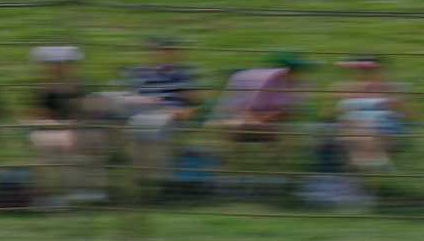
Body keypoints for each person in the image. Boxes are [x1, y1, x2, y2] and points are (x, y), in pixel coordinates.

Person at [111, 37, 204, 185]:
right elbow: (126, 98)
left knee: (151, 128)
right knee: (137, 125)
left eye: (168, 51)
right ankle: (145, 179)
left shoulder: (184, 74)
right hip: (139, 114)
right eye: (158, 50)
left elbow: (194, 105)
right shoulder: (139, 74)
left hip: (170, 116)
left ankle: (154, 180)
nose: (163, 54)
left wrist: (183, 111)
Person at [25, 45, 104, 206]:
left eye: (62, 64)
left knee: (85, 138)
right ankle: (53, 193)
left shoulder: (80, 87)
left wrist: (78, 120)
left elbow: (89, 112)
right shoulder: (43, 90)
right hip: (50, 129)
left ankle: (84, 190)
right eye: (54, 64)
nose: (58, 68)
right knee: (58, 143)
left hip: (78, 129)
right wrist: (50, 123)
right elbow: (35, 115)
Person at [333, 54, 412, 173]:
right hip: (353, 128)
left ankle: (370, 164)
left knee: (364, 127)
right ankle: (363, 164)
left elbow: (406, 115)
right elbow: (335, 115)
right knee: (351, 126)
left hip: (381, 127)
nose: (362, 74)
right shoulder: (344, 88)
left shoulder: (390, 88)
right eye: (359, 71)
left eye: (368, 71)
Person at [211, 51, 311, 144]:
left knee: (284, 132)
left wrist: (278, 115)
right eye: (293, 71)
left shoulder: (295, 84)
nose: (298, 75)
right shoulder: (265, 81)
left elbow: (291, 112)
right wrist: (271, 117)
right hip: (238, 118)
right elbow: (249, 113)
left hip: (261, 121)